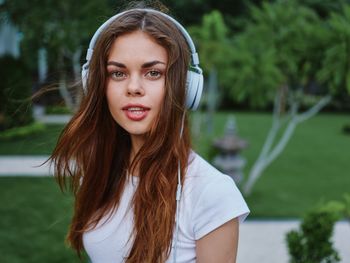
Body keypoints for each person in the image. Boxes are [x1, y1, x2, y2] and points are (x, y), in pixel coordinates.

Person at [50, 4, 249, 263]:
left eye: (153, 73)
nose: (133, 87)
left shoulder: (211, 193)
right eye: (118, 73)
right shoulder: (100, 171)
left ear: (184, 87)